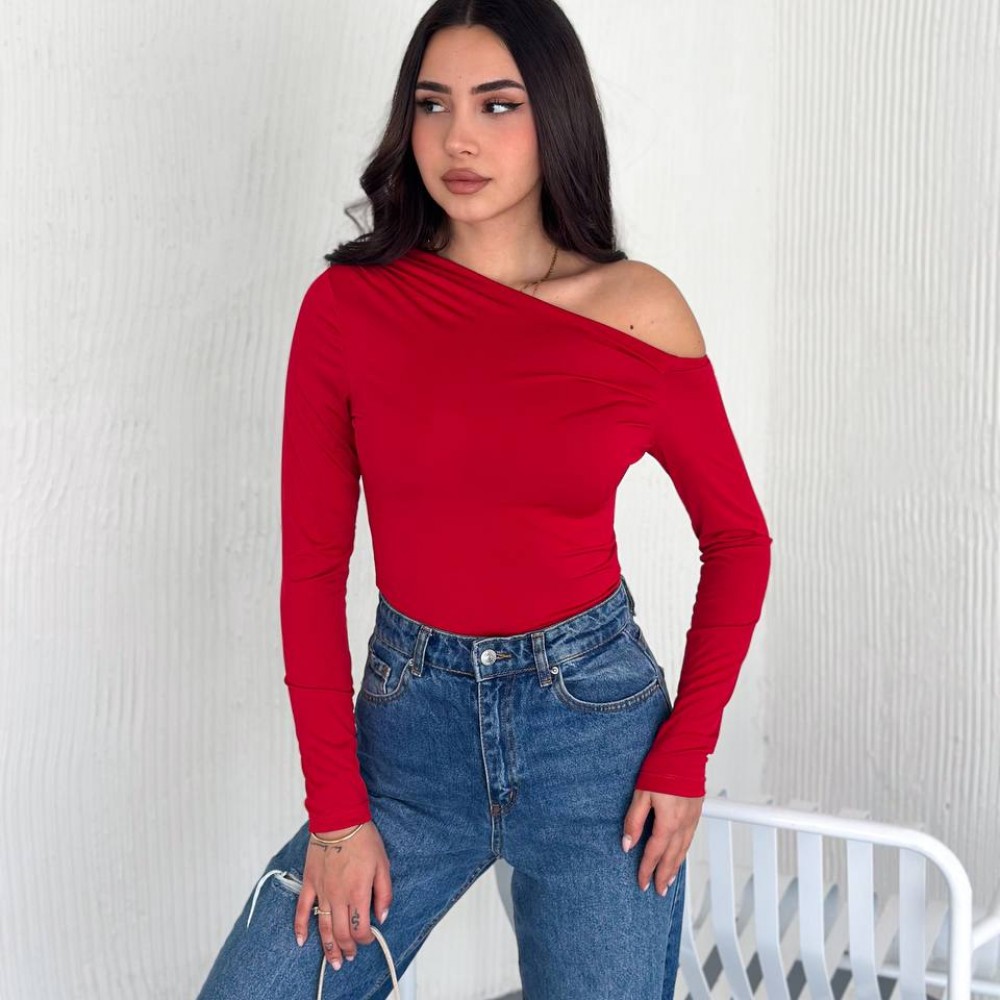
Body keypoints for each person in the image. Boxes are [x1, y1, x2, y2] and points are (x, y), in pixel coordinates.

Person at [197, 0, 772, 997]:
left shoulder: (637, 310)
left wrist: (684, 754)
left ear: (555, 115)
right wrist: (336, 813)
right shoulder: (347, 309)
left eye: (497, 105)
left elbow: (738, 537)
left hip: (595, 744)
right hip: (408, 744)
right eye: (433, 104)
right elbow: (311, 573)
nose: (457, 138)